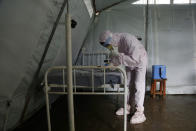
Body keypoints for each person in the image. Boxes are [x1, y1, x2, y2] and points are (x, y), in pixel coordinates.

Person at [99, 30, 148, 124]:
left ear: (109, 39)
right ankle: (128, 107)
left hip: (140, 60)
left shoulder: (126, 39)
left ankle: (140, 112)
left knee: (138, 85)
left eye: (107, 44)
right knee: (128, 83)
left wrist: (116, 60)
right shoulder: (119, 41)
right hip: (131, 62)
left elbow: (135, 58)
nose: (109, 47)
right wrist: (113, 63)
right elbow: (124, 57)